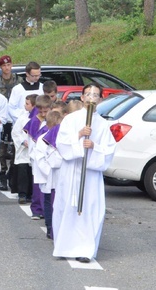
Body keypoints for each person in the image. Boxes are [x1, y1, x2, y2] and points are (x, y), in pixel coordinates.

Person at [52, 84, 116, 263]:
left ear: (100, 100)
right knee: (67, 207)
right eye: (88, 94)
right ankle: (64, 245)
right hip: (71, 171)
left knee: (90, 208)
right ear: (82, 97)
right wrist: (79, 137)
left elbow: (109, 150)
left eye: (95, 95)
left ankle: (85, 249)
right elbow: (62, 143)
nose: (91, 98)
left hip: (90, 175)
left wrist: (94, 146)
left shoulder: (103, 125)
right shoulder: (71, 119)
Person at [32, 109, 63, 239]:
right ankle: (50, 227)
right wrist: (48, 169)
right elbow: (39, 157)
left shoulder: (62, 138)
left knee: (56, 202)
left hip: (59, 175)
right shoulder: (42, 139)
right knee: (48, 201)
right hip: (48, 175)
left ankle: (56, 226)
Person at [0, 55, 20, 191]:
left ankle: (12, 174)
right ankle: (2, 176)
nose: (7, 68)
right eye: (4, 66)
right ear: (1, 67)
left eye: (9, 65)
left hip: (16, 119)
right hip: (2, 118)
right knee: (2, 150)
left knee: (16, 149)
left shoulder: (19, 81)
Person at [12, 94, 38, 204]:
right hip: (23, 150)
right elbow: (15, 132)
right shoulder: (23, 117)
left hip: (35, 151)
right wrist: (23, 141)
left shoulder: (40, 118)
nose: (24, 105)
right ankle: (22, 193)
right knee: (22, 172)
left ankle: (30, 194)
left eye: (27, 103)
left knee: (32, 173)